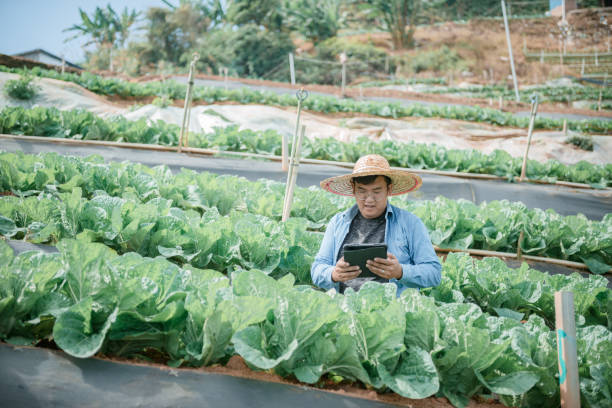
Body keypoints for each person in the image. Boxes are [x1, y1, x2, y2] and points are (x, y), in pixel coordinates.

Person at [311, 154, 441, 296]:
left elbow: (434, 273)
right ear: (353, 189)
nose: (369, 199)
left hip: (392, 312)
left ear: (389, 189)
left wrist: (401, 272)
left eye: (377, 191)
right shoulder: (338, 222)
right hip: (346, 311)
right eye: (362, 191)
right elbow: (317, 269)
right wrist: (334, 274)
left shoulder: (410, 224)